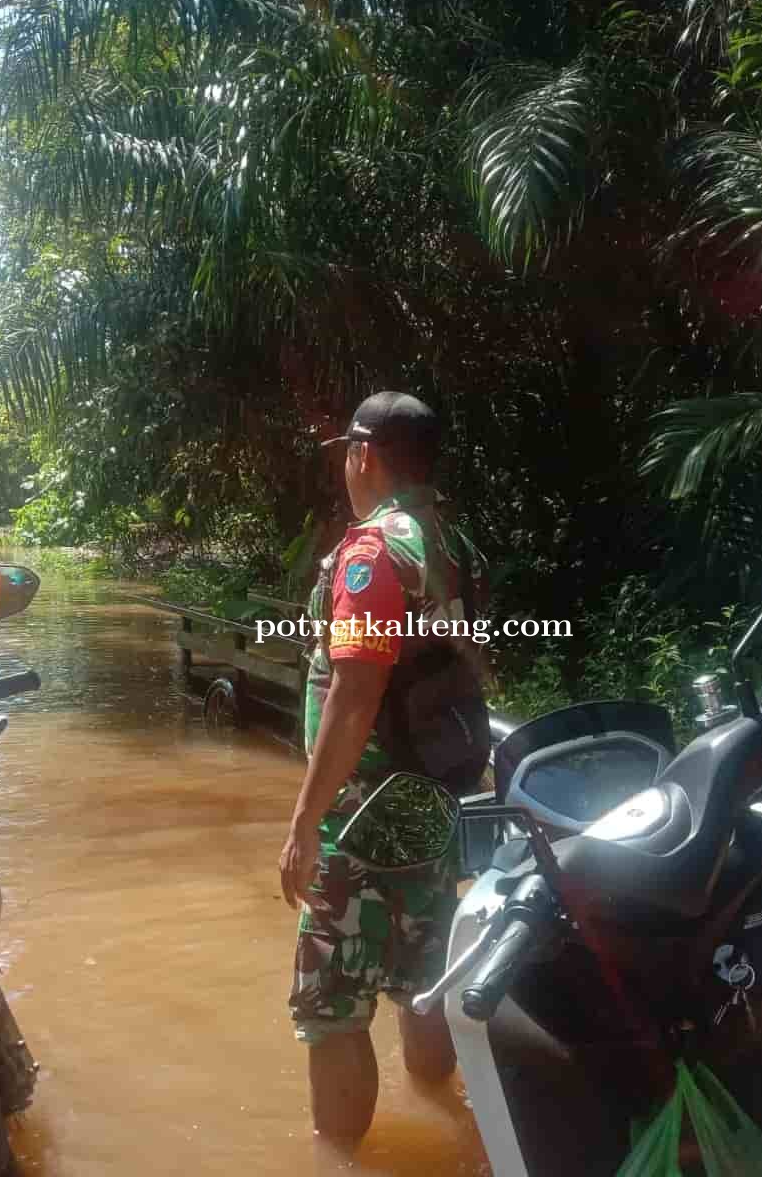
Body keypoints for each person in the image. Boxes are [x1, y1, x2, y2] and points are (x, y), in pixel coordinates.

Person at [278, 390, 491, 1146]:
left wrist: (306, 823)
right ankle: (449, 1122)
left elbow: (355, 690)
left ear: (362, 455)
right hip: (430, 796)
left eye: (345, 452)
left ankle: (340, 1162)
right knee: (421, 977)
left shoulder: (373, 552)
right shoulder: (446, 539)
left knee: (330, 1008)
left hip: (366, 812)